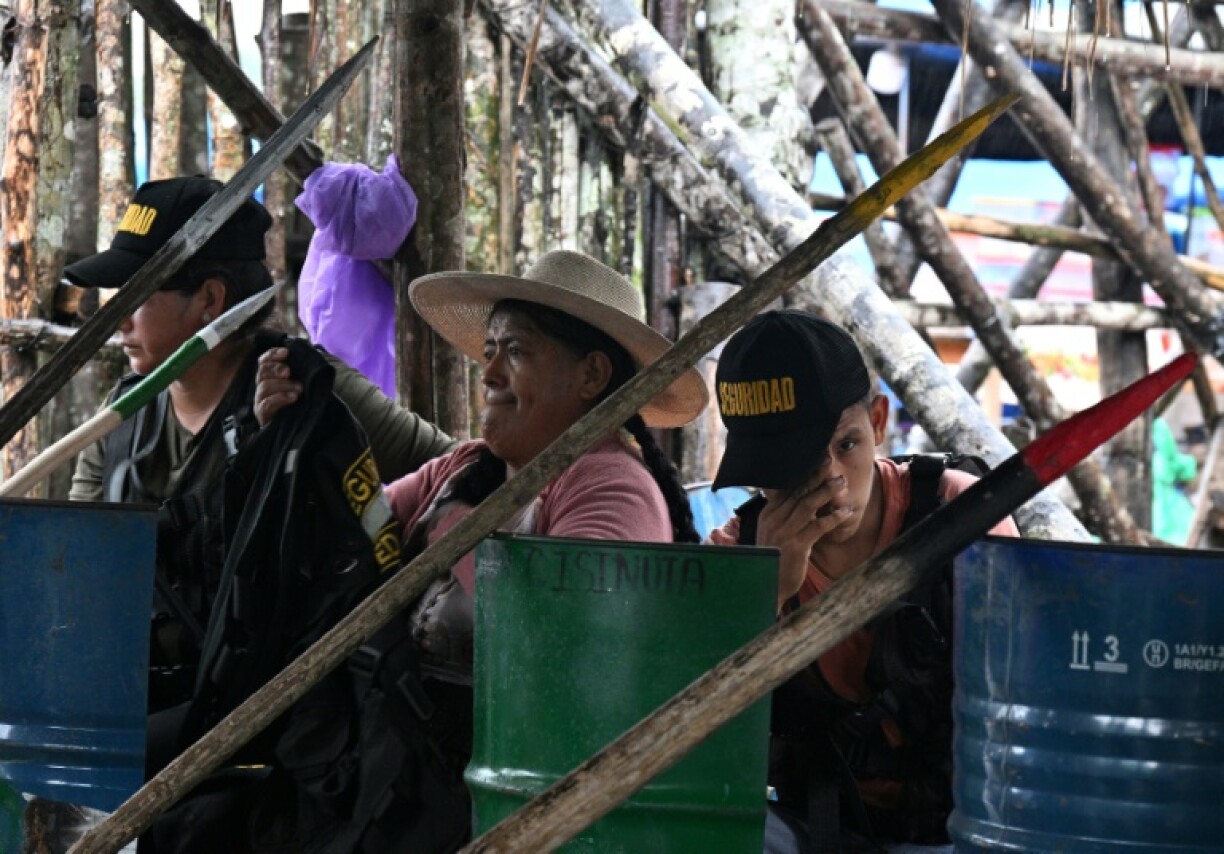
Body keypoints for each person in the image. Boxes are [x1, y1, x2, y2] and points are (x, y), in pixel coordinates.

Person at [254, 248, 710, 850]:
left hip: (518, 810)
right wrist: (290, 445)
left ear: (592, 376)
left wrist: (454, 535)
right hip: (399, 788)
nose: (489, 372)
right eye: (490, 349)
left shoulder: (611, 487)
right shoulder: (465, 467)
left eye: (516, 351)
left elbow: (564, 647)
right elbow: (358, 530)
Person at [63, 176, 456, 851]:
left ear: (210, 301)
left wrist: (308, 468)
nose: (117, 318)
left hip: (271, 733)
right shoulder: (122, 424)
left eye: (138, 296)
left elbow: (456, 472)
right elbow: (71, 575)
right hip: (140, 708)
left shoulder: (306, 394)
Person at [706, 310, 1018, 853]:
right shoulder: (738, 555)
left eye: (845, 445)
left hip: (965, 827)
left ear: (877, 423)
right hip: (809, 831)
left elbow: (1019, 700)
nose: (827, 477)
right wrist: (766, 592)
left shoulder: (961, 516)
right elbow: (697, 734)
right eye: (792, 462)